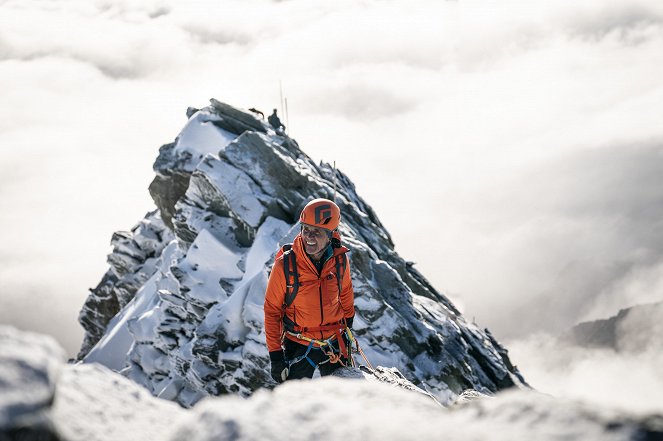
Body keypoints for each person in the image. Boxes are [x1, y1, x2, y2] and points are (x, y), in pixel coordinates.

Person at [264, 198, 355, 383]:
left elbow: (345, 292)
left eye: (317, 232)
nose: (309, 237)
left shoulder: (339, 261)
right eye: (306, 230)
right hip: (298, 343)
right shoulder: (285, 266)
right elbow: (272, 311)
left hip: (334, 342)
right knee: (293, 403)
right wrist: (275, 355)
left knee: (342, 401)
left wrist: (348, 326)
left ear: (330, 235)